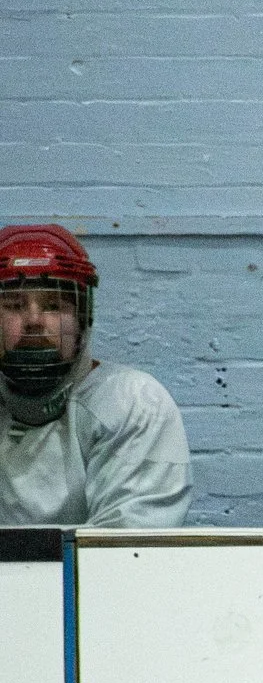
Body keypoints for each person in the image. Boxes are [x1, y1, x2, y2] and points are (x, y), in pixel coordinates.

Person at [0, 223, 191, 527]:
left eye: (53, 305)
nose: (34, 320)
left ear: (81, 319)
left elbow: (126, 554)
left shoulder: (134, 404)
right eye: (14, 306)